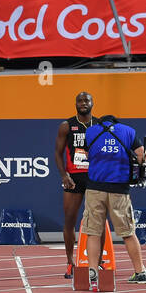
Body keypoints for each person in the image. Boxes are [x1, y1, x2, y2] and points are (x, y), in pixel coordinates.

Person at [82, 114, 146, 284]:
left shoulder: (90, 131)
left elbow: (85, 153)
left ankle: (92, 272)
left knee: (93, 232)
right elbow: (140, 153)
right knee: (128, 232)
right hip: (120, 188)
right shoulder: (128, 131)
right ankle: (139, 272)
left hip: (95, 187)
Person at [53, 93, 98, 279]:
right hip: (73, 179)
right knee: (70, 220)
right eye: (80, 101)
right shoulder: (66, 126)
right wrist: (64, 175)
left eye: (86, 100)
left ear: (92, 104)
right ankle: (70, 262)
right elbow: (57, 153)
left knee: (98, 222)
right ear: (75, 104)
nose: (83, 103)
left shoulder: (100, 125)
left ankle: (98, 262)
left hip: (95, 177)